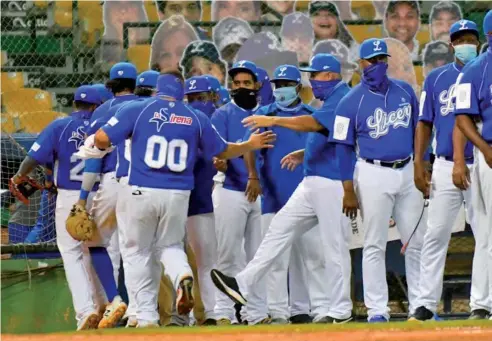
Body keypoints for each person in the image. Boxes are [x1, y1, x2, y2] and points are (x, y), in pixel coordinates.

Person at [79, 72, 275, 328]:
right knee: (170, 246)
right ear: (182, 91)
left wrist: (99, 142)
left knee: (136, 252)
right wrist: (249, 144)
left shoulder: (137, 109)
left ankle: (146, 316)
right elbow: (223, 149)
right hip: (179, 194)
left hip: (141, 189)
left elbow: (103, 139)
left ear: (156, 89)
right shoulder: (196, 116)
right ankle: (183, 275)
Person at [211, 54, 354, 324]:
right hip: (311, 179)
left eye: (316, 75)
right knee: (278, 232)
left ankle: (339, 309)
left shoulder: (342, 99)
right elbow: (329, 136)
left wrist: (274, 122)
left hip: (332, 180)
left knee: (331, 248)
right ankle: (242, 283)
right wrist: (304, 152)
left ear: (330, 75)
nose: (313, 80)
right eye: (309, 75)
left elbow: (313, 124)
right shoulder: (328, 100)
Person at [330, 38, 425, 322]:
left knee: (415, 241)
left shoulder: (406, 91)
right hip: (372, 172)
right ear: (361, 65)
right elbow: (342, 148)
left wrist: (423, 164)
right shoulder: (349, 102)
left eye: (381, 59)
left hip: (407, 169)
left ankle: (420, 306)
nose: (377, 65)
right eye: (371, 61)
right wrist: (348, 188)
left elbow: (420, 131)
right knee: (374, 243)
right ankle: (377, 310)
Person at [242, 64, 333, 324]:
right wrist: (253, 176)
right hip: (274, 195)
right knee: (276, 259)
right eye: (277, 84)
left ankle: (319, 309)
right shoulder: (263, 114)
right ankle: (279, 311)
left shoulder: (311, 116)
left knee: (314, 256)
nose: (280, 89)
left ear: (297, 87)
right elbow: (249, 147)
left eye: (285, 84)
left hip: (308, 197)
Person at [10, 85, 103, 330]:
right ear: (97, 105)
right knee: (105, 250)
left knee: (72, 253)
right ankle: (108, 305)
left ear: (75, 104)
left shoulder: (59, 126)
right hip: (103, 194)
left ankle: (85, 311)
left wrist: (19, 175)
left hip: (71, 197)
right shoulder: (104, 126)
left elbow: (34, 157)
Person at [413, 19, 483, 321]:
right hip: (444, 163)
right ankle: (425, 303)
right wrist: (419, 162)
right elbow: (424, 122)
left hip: (480, 162)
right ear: (451, 43)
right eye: (460, 38)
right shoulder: (437, 78)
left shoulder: (483, 73)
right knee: (435, 234)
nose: (465, 43)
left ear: (478, 42)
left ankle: (482, 303)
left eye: (470, 37)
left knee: (486, 235)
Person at [77, 63, 140, 329]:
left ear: (110, 85)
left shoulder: (102, 111)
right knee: (138, 248)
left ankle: (113, 299)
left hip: (112, 181)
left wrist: (82, 197)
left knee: (95, 242)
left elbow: (93, 159)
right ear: (135, 84)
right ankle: (139, 311)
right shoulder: (145, 106)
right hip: (142, 182)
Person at [210, 60, 270, 325]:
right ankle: (223, 312)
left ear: (257, 85)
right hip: (231, 189)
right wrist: (220, 161)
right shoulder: (222, 114)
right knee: (228, 253)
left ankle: (255, 313)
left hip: (264, 193)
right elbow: (218, 151)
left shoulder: (268, 113)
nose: (241, 87)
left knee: (258, 255)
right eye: (236, 83)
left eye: (247, 82)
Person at [454, 9, 492, 321]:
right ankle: (481, 303)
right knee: (489, 232)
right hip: (490, 153)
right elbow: (462, 117)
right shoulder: (475, 70)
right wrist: (483, 148)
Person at [183, 75, 220, 325]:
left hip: (218, 200)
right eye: (192, 98)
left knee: (215, 260)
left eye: (202, 97)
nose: (197, 103)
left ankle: (216, 312)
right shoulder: (185, 124)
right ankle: (204, 314)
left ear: (215, 96)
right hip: (192, 202)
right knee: (197, 261)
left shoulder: (222, 119)